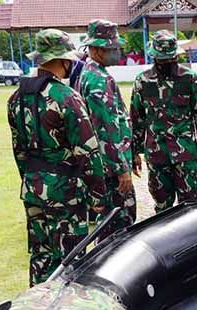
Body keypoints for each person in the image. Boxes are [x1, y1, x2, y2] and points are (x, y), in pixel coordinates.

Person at [8, 29, 107, 286]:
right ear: (64, 60)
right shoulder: (66, 97)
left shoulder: (16, 97)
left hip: (32, 186)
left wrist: (32, 179)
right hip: (66, 191)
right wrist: (98, 195)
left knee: (41, 254)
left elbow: (19, 150)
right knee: (70, 257)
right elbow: (87, 151)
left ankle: (35, 308)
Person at [130, 30, 197, 212]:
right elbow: (137, 118)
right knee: (162, 208)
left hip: (185, 154)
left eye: (169, 59)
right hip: (156, 154)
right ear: (154, 57)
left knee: (192, 206)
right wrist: (134, 152)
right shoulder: (143, 81)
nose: (166, 62)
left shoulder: (189, 78)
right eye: (162, 59)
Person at [76, 20, 135, 236]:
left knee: (111, 226)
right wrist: (121, 169)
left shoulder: (90, 73)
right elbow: (106, 131)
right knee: (118, 228)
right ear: (98, 49)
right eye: (114, 48)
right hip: (110, 170)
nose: (118, 52)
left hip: (105, 166)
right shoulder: (98, 80)